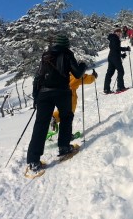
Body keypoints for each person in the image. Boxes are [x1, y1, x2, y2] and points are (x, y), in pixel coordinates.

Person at [27, 34, 87, 174]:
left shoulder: (46, 55)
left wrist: (36, 97)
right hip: (61, 92)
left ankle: (33, 160)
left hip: (43, 93)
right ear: (66, 44)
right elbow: (77, 74)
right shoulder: (67, 53)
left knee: (40, 125)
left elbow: (38, 76)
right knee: (66, 117)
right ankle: (64, 147)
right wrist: (83, 65)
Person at [49, 70, 98, 137]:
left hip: (59, 93)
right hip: (70, 94)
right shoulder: (76, 74)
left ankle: (54, 117)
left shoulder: (61, 71)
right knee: (69, 114)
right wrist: (93, 76)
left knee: (63, 111)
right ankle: (66, 133)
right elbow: (87, 79)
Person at [103, 28, 131, 93]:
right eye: (119, 33)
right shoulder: (115, 38)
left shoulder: (112, 38)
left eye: (120, 33)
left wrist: (121, 55)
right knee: (121, 71)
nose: (120, 34)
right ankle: (120, 87)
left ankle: (106, 89)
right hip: (115, 58)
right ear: (116, 33)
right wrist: (125, 48)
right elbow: (116, 48)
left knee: (109, 73)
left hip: (111, 57)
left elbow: (114, 49)